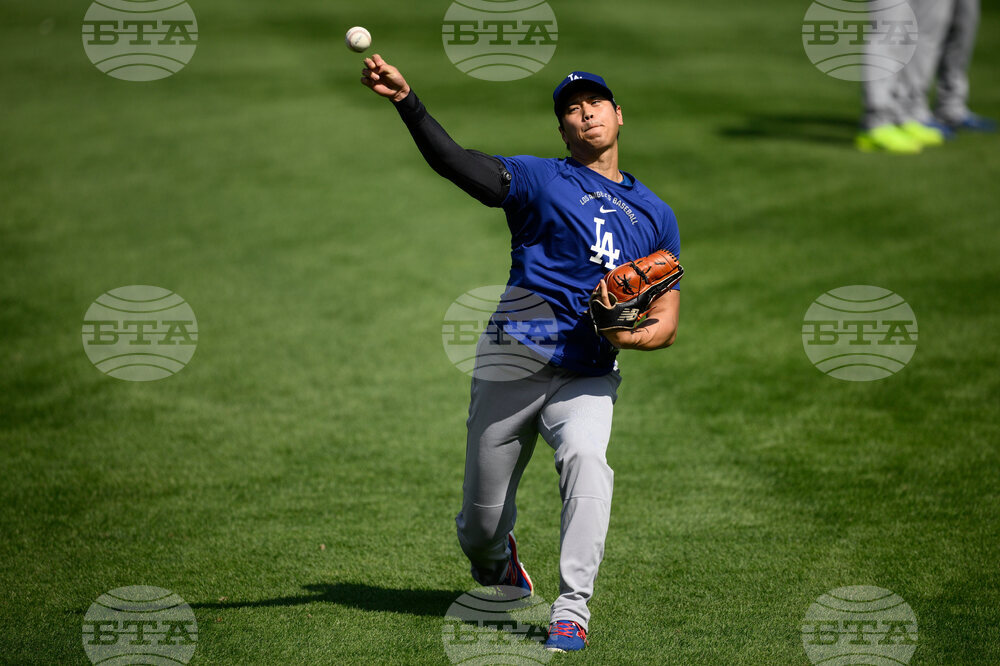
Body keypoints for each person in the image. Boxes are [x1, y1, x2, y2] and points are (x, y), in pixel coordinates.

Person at [360, 54, 681, 653]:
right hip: (511, 362)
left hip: (586, 375)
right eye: (570, 110)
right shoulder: (540, 179)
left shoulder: (657, 217)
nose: (584, 114)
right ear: (562, 131)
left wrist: (628, 337)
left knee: (587, 460)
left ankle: (572, 609)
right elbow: (456, 164)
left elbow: (666, 322)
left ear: (618, 115)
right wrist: (408, 101)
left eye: (594, 103)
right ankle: (496, 562)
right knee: (480, 527)